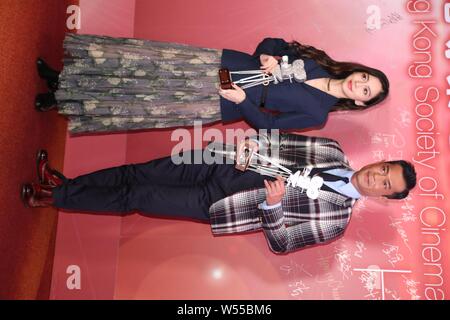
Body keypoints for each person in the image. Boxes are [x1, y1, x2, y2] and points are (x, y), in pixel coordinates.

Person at [21, 133, 416, 254]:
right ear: (380, 162)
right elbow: (276, 139)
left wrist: (273, 207)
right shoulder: (331, 149)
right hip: (224, 162)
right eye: (384, 170)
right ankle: (65, 185)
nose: (377, 178)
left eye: (386, 185)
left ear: (385, 197)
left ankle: (53, 198)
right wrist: (252, 145)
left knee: (137, 196)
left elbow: (283, 243)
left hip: (222, 204)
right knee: (136, 171)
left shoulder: (336, 222)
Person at [35, 35, 389, 134]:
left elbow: (268, 124)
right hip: (225, 64)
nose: (360, 84)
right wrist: (267, 56)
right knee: (144, 65)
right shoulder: (316, 60)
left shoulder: (317, 114)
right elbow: (273, 42)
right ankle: (63, 76)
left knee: (142, 99)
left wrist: (241, 101)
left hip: (222, 99)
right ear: (358, 71)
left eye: (366, 91)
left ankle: (64, 99)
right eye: (365, 77)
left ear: (360, 103)